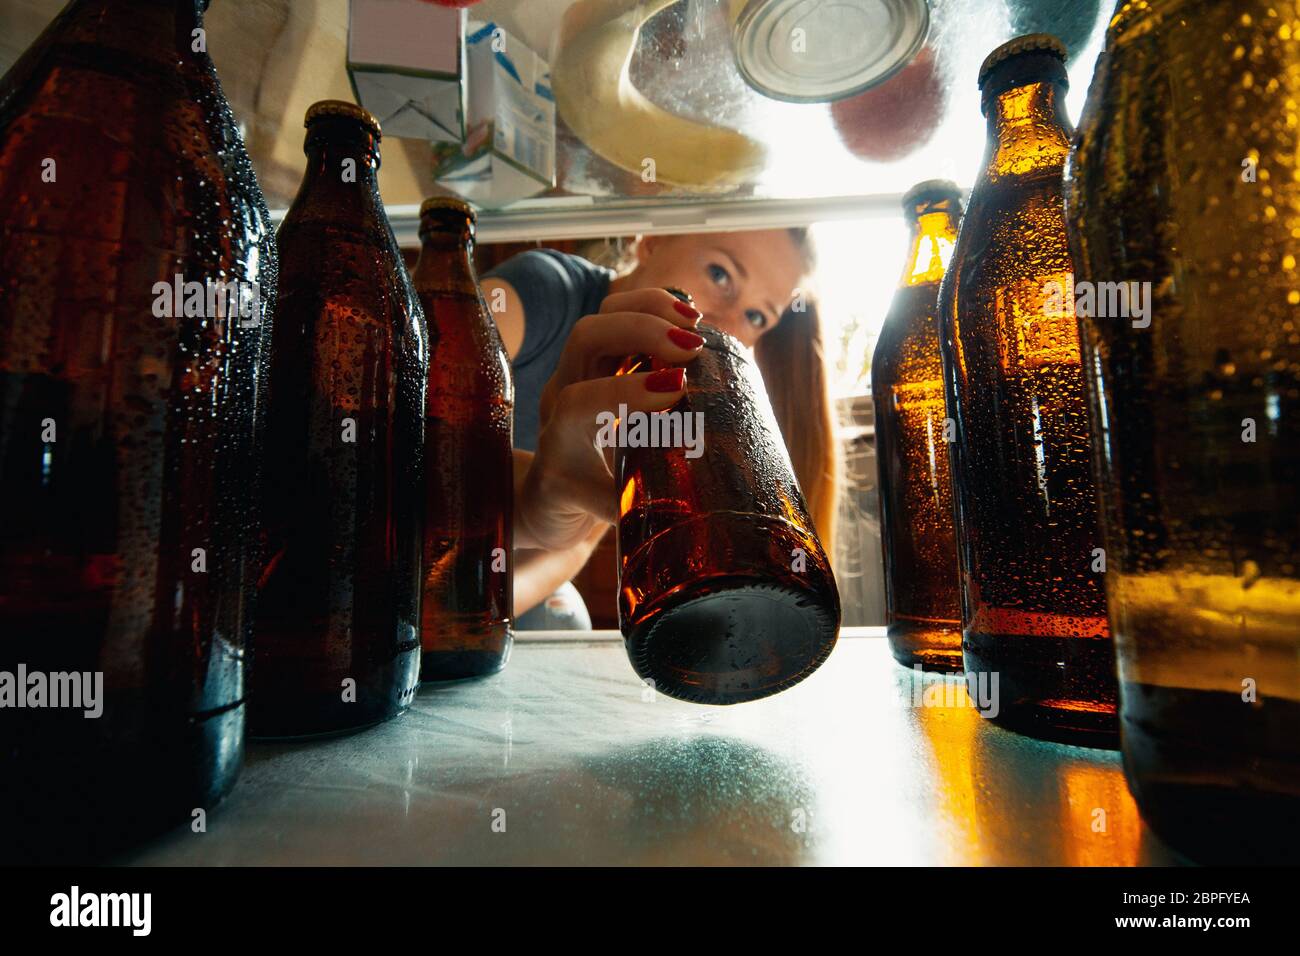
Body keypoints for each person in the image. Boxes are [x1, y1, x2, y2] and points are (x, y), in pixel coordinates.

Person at [487, 229, 838, 629]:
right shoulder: (546, 287)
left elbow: (573, 545)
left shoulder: (668, 398)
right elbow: (410, 401)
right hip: (413, 541)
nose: (722, 322)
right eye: (720, 275)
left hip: (492, 569)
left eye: (756, 316)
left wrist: (479, 613)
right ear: (653, 239)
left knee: (566, 620)